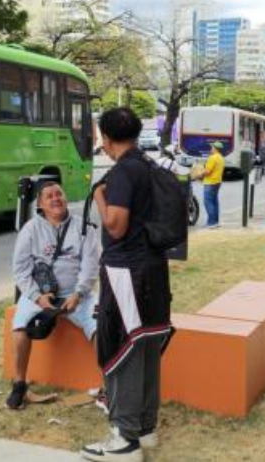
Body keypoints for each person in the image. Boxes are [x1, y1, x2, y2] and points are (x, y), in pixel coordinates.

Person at [83, 107, 173, 461]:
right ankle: (145, 428)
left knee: (123, 348)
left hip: (125, 272)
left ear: (105, 139)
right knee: (147, 346)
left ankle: (123, 438)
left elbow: (116, 226)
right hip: (152, 268)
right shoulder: (149, 166)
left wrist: (101, 197)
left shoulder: (122, 172)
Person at [7, 182, 100, 410]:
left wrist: (78, 294)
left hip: (77, 295)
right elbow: (20, 270)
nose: (55, 199)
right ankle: (20, 384)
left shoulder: (84, 227)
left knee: (103, 327)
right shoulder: (30, 229)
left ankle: (109, 386)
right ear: (40, 204)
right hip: (40, 294)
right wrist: (37, 297)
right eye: (49, 196)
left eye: (59, 193)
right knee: (19, 327)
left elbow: (91, 266)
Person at [201, 141, 225, 229]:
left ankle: (211, 223)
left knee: (208, 202)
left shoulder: (212, 158)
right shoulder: (221, 158)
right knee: (214, 202)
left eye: (212, 148)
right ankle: (215, 222)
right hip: (217, 181)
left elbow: (207, 171)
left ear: (215, 149)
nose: (211, 149)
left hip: (210, 182)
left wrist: (198, 174)